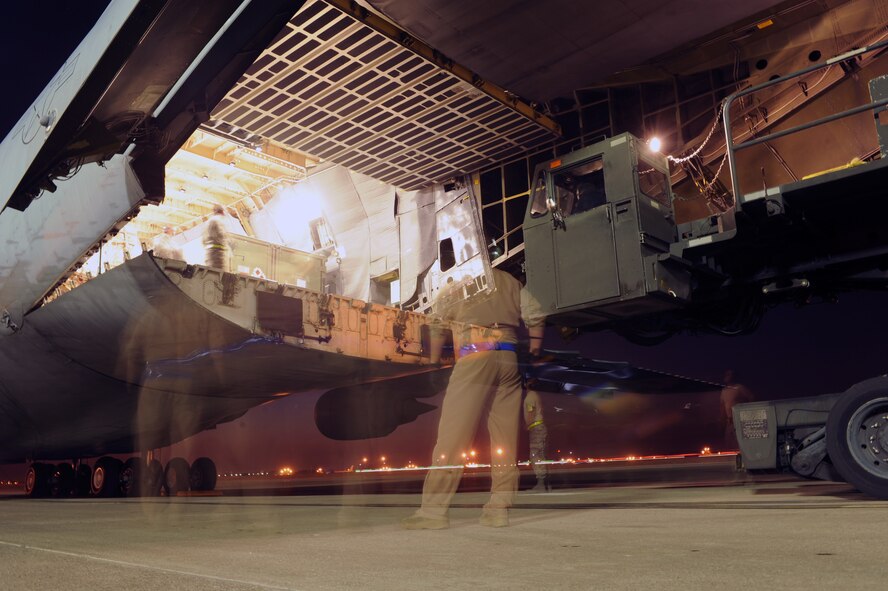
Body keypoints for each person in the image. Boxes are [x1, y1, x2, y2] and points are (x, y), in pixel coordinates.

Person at [402, 268, 545, 529]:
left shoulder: (456, 281)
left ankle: (433, 513)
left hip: (475, 353)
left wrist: (434, 362)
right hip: (509, 357)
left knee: (453, 436)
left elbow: (437, 324)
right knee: (504, 439)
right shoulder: (509, 280)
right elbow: (535, 314)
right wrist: (534, 348)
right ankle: (498, 510)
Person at [720, 369, 754, 450]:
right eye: (726, 374)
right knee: (729, 443)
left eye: (729, 375)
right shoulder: (724, 390)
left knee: (738, 443)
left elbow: (751, 397)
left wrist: (746, 412)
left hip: (739, 420)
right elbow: (722, 406)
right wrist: (722, 420)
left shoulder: (740, 388)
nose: (727, 376)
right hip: (729, 422)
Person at [523, 388, 550, 492]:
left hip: (536, 428)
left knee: (535, 455)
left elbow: (531, 411)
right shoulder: (536, 395)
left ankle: (541, 484)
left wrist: (527, 424)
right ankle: (545, 484)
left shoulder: (530, 397)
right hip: (540, 427)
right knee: (541, 454)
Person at [203, 204, 230, 270]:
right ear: (222, 212)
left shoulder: (208, 222)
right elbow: (222, 237)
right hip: (217, 255)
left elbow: (203, 241)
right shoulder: (218, 221)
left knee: (212, 275)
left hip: (209, 254)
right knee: (220, 276)